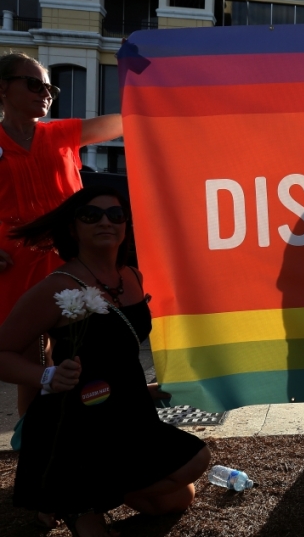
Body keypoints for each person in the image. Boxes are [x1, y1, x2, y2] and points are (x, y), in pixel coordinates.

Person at [0, 186, 210, 537]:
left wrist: (148, 388)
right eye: (91, 215)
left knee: (177, 498)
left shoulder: (131, 276)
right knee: (196, 459)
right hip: (76, 424)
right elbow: (2, 353)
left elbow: (113, 352)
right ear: (72, 228)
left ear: (126, 226)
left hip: (127, 414)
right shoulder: (57, 288)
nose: (105, 222)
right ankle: (76, 500)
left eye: (115, 215)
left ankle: (77, 496)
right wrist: (47, 376)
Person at [0, 52, 123, 423]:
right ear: (2, 87)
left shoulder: (61, 134)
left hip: (70, 262)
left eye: (49, 87)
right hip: (14, 267)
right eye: (34, 84)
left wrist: (143, 78)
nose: (46, 94)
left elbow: (126, 123)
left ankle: (80, 432)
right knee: (30, 357)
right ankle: (33, 437)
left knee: (84, 349)